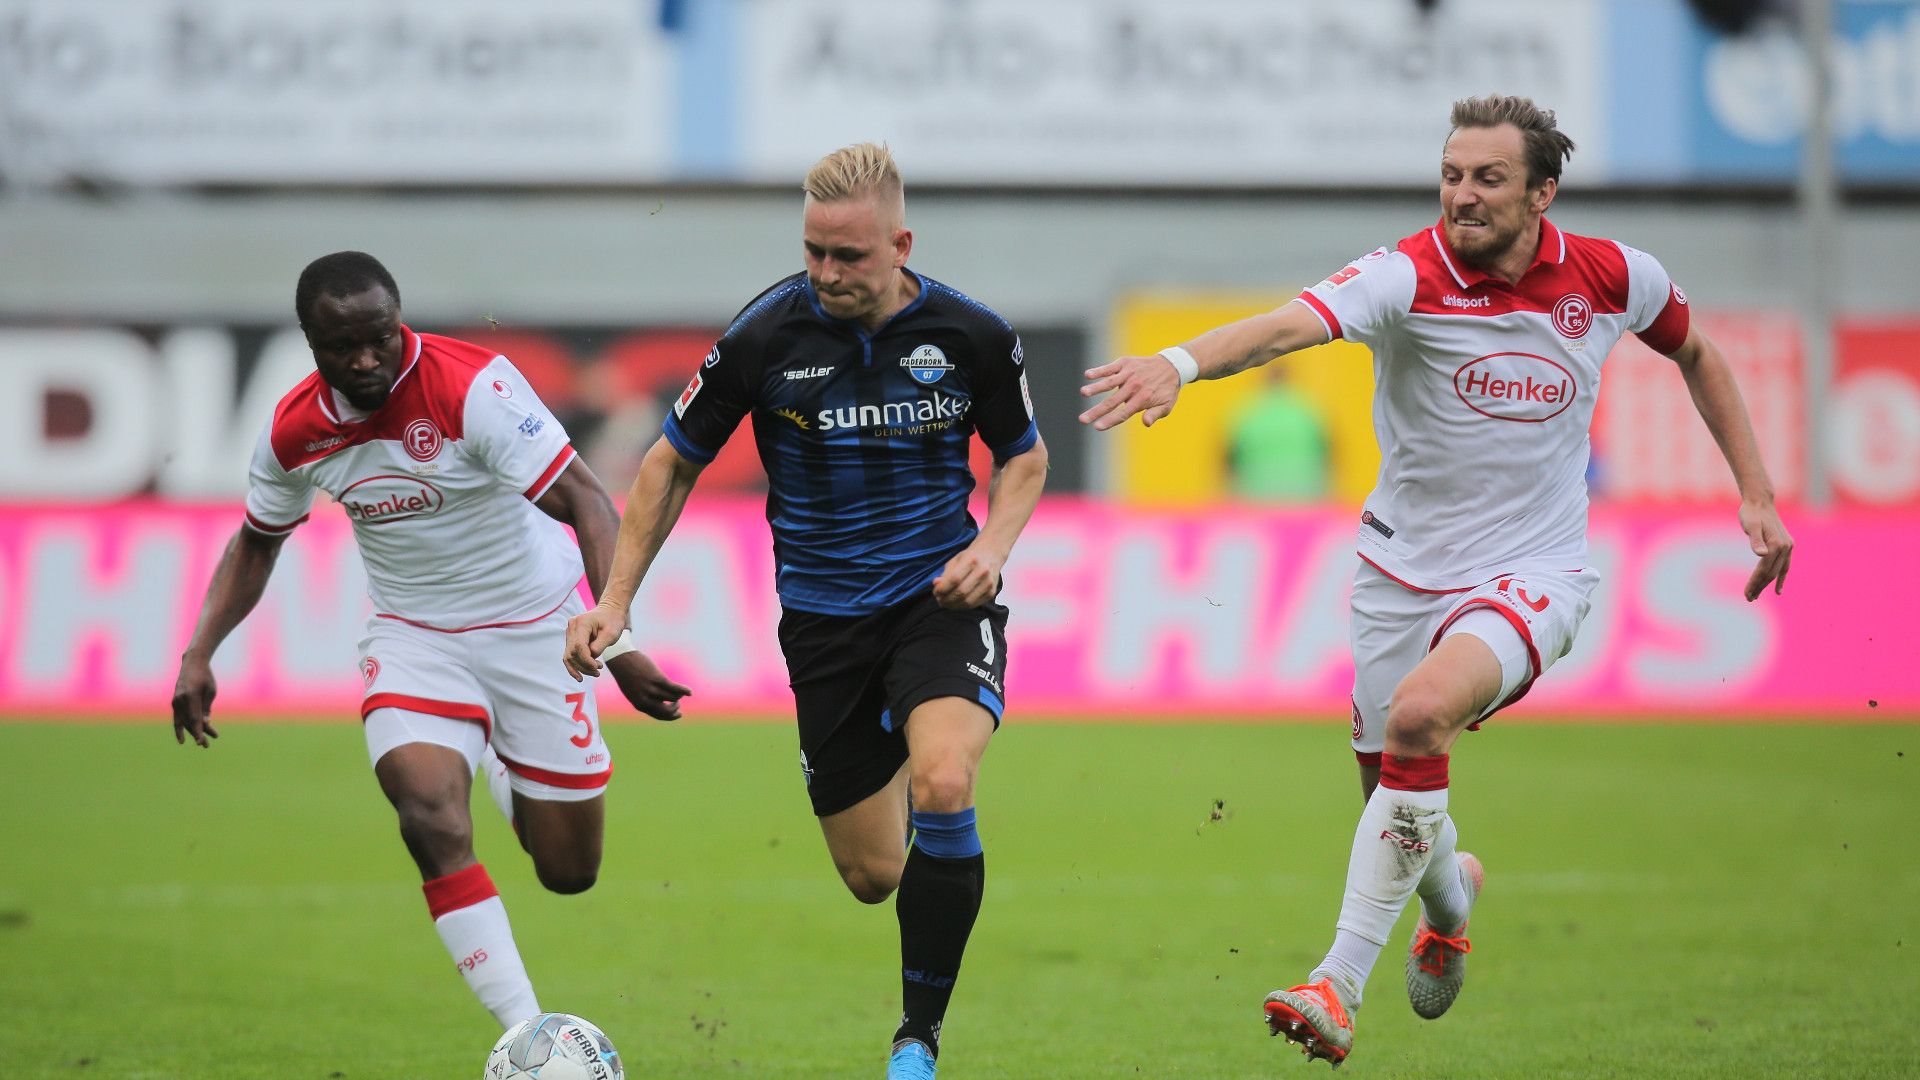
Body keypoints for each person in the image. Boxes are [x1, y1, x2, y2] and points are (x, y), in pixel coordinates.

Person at [1078, 95, 1793, 1066]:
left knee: (1420, 722)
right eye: (1452, 174)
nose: (1463, 194)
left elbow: (1697, 354)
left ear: (1543, 191)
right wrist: (1178, 363)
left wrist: (1754, 492)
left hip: (1534, 572)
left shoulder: (1615, 276)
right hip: (1396, 574)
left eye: (1489, 178)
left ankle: (1336, 982)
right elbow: (1285, 328)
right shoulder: (1404, 275)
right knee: (1390, 794)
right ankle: (1451, 902)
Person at [564, 143, 1048, 1080]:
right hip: (824, 625)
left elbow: (1022, 455)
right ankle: (910, 780)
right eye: (814, 251)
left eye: (849, 257)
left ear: (900, 243)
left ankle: (917, 1040)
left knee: (947, 780)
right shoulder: (765, 338)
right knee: (873, 878)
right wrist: (615, 601)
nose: (826, 273)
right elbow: (670, 462)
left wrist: (989, 550)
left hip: (938, 599)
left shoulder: (972, 335)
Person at [170, 251, 690, 1029]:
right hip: (416, 639)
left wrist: (616, 641)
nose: (368, 357)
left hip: (536, 628)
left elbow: (585, 497)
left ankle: (502, 760)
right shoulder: (295, 431)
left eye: (381, 336)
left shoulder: (469, 387)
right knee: (429, 814)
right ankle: (527, 1037)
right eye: (346, 346)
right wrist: (198, 652)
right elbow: (256, 542)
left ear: (397, 317)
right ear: (312, 343)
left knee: (568, 871)